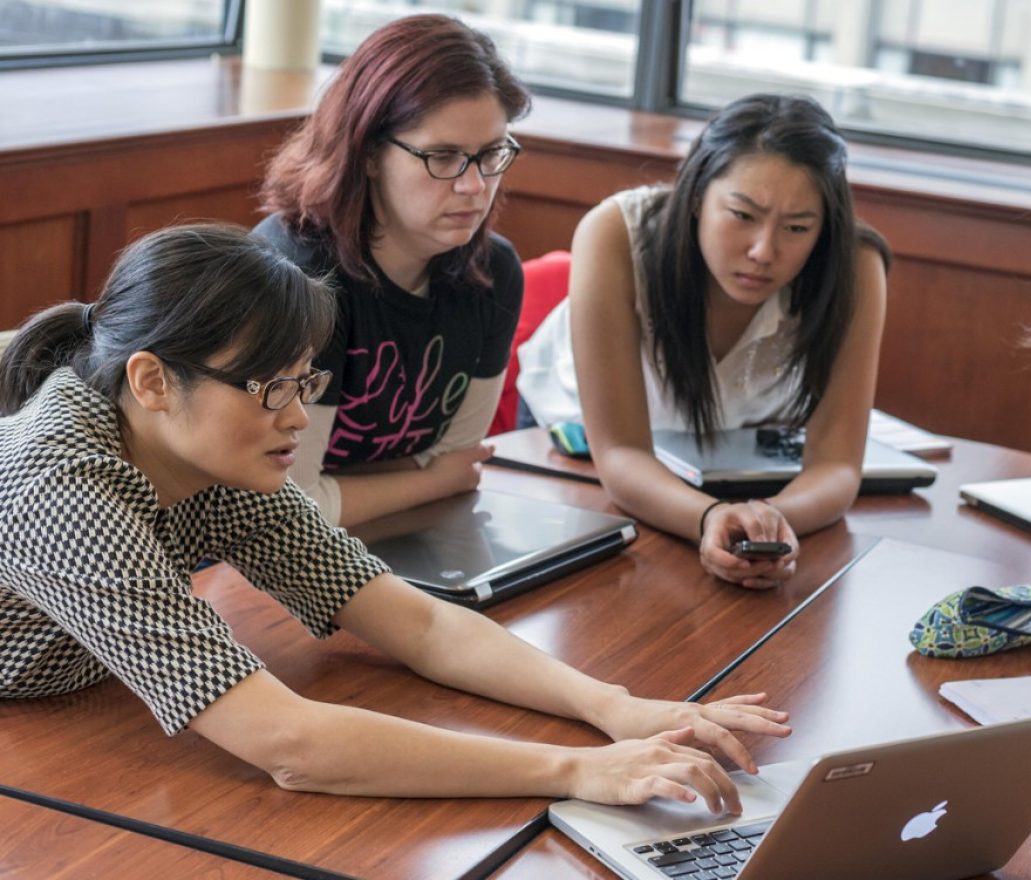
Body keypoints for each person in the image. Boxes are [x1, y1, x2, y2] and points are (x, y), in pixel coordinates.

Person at [0, 224, 789, 807]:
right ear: (151, 380)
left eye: (305, 383)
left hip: (76, 702)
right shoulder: (61, 483)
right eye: (273, 388)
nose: (300, 418)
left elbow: (420, 624)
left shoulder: (217, 449)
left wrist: (613, 707)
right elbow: (292, 744)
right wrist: (575, 771)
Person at [516, 93, 890, 590]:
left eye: (798, 227)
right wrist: (710, 518)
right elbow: (622, 454)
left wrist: (766, 522)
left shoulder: (855, 267)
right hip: (579, 445)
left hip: (727, 464)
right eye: (742, 215)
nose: (763, 251)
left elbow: (838, 466)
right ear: (696, 196)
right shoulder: (614, 233)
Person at [256, 14, 527, 527]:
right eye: (443, 157)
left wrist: (434, 479)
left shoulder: (493, 271)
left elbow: (457, 460)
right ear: (369, 154)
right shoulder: (297, 274)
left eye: (491, 154)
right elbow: (278, 511)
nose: (474, 186)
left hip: (393, 537)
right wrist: (430, 481)